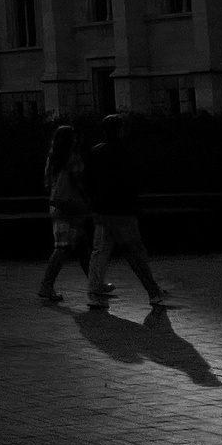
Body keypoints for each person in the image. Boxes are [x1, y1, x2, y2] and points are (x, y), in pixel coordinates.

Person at [83, 113, 171, 310]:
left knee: (100, 251)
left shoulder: (96, 152)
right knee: (134, 253)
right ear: (121, 130)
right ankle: (153, 291)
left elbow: (87, 182)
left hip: (102, 210)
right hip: (123, 210)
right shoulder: (126, 152)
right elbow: (134, 179)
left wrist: (94, 204)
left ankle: (94, 292)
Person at [37, 124, 92, 302]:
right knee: (63, 248)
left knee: (82, 246)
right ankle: (46, 285)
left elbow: (47, 185)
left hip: (57, 207)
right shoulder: (73, 158)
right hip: (73, 207)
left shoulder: (51, 160)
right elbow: (81, 181)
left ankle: (95, 281)